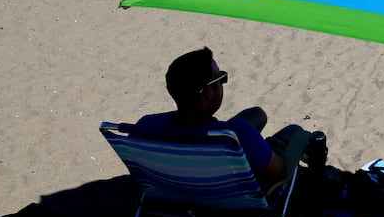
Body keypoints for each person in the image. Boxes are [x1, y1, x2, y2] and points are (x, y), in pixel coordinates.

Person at [132, 47, 310, 187]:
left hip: (175, 203)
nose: (222, 82)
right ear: (209, 91)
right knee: (294, 132)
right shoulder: (236, 135)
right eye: (221, 78)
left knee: (256, 115)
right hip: (233, 212)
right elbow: (280, 172)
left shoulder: (146, 127)